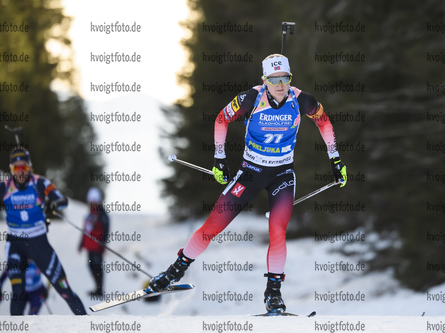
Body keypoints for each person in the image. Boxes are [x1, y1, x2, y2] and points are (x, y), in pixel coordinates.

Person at [147, 54, 347, 314]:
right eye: (273, 79)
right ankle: (174, 272)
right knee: (212, 226)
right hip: (250, 171)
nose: (280, 84)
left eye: (284, 78)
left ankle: (273, 294)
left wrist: (335, 159)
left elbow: (324, 121)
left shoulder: (302, 100)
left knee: (278, 231)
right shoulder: (250, 99)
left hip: (282, 174)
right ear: (264, 80)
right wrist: (219, 159)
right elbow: (221, 119)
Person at [0, 147, 86, 315]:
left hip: (39, 245)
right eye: (16, 168)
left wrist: (53, 204)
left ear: (30, 167)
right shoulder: (5, 186)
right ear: (11, 169)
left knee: (64, 289)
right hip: (15, 244)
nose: (20, 172)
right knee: (18, 293)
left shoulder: (39, 183)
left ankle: (87, 324)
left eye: (24, 167)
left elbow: (62, 200)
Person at [78, 187, 109, 297]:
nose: (92, 203)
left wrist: (103, 243)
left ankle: (100, 290)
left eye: (94, 201)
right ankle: (97, 288)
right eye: (90, 201)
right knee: (91, 267)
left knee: (97, 267)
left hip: (97, 247)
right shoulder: (89, 215)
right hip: (89, 246)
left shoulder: (102, 215)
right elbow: (85, 231)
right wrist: (81, 244)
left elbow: (105, 230)